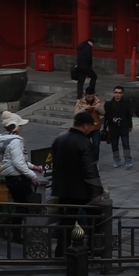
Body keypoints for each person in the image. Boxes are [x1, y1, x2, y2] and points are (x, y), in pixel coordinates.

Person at [49, 108, 102, 254]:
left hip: (62, 188)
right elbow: (90, 169)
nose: (92, 129)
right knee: (96, 218)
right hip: (80, 190)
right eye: (91, 126)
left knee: (66, 221)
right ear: (85, 125)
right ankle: (93, 248)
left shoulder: (60, 138)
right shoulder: (84, 142)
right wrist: (97, 191)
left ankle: (61, 251)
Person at [0, 110, 42, 209]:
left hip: (10, 178)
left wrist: (33, 167)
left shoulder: (4, 139)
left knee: (19, 205)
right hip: (18, 178)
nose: (22, 127)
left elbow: (8, 159)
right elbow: (18, 162)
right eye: (20, 125)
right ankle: (5, 223)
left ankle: (13, 223)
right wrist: (33, 175)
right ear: (15, 126)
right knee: (25, 207)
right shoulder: (15, 142)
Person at [104, 83, 134, 168]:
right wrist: (111, 119)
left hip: (124, 126)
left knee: (126, 144)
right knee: (114, 145)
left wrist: (130, 125)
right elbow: (106, 115)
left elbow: (129, 114)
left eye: (120, 93)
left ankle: (128, 161)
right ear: (113, 93)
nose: (117, 95)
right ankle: (116, 160)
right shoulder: (108, 104)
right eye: (116, 92)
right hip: (113, 127)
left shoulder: (126, 103)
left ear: (122, 94)